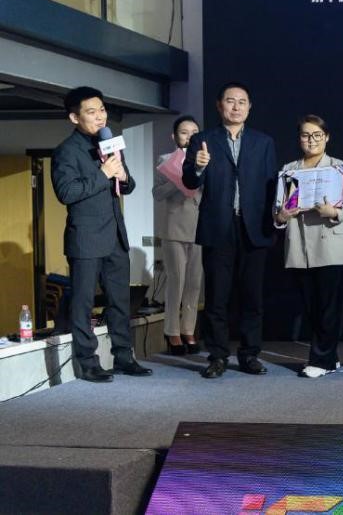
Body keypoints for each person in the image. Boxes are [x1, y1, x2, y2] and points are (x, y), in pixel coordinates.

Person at [51, 86, 151, 382]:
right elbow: (67, 192)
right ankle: (88, 362)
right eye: (91, 112)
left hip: (115, 236)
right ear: (74, 117)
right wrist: (103, 173)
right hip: (86, 238)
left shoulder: (109, 144)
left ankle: (124, 357)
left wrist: (123, 176)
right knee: (82, 303)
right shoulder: (66, 151)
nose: (100, 117)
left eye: (102, 110)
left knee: (120, 301)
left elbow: (127, 186)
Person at [183, 82, 277, 379]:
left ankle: (250, 355)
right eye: (230, 101)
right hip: (217, 226)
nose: (236, 107)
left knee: (252, 298)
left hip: (254, 227)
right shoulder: (202, 140)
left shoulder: (263, 142)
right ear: (219, 105)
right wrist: (198, 167)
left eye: (242, 101)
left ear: (249, 107)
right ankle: (218, 356)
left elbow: (273, 185)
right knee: (216, 297)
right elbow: (189, 182)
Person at [273, 115, 343, 378]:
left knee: (329, 309)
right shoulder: (289, 170)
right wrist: (282, 216)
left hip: (332, 244)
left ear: (327, 137)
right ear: (299, 139)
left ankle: (321, 360)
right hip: (301, 246)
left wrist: (334, 211)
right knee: (311, 308)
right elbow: (278, 210)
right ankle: (330, 357)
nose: (312, 140)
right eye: (306, 135)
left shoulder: (338, 167)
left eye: (317, 135)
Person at [152, 115, 203, 355]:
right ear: (174, 136)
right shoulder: (165, 160)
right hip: (174, 227)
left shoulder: (205, 159)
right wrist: (177, 180)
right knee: (176, 281)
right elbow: (157, 193)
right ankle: (172, 331)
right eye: (184, 132)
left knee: (194, 283)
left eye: (194, 132)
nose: (190, 136)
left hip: (200, 227)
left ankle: (188, 329)